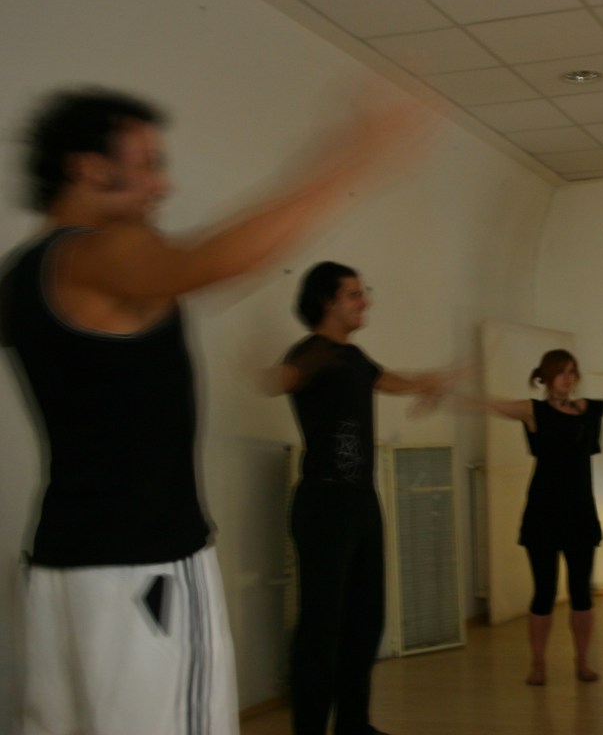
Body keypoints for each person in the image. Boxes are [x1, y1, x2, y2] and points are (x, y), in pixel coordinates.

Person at [0, 86, 431, 734]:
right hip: (145, 572)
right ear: (88, 168)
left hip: (60, 571)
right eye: (146, 163)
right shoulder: (96, 253)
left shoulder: (21, 276)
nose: (162, 184)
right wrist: (356, 157)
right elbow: (215, 260)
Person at [270, 261, 457, 735]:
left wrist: (429, 381)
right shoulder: (311, 353)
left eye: (362, 292)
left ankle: (354, 725)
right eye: (354, 295)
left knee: (365, 621)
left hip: (361, 502)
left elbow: (384, 379)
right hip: (324, 504)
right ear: (327, 302)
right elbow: (286, 378)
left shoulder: (353, 357)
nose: (364, 301)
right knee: (320, 627)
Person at [478, 349, 603, 686]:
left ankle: (582, 661)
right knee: (544, 592)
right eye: (561, 372)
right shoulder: (534, 410)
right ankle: (538, 663)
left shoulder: (587, 409)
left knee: (581, 592)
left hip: (580, 512)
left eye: (572, 371)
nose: (568, 378)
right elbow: (495, 406)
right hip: (543, 512)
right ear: (546, 377)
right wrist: (449, 394)